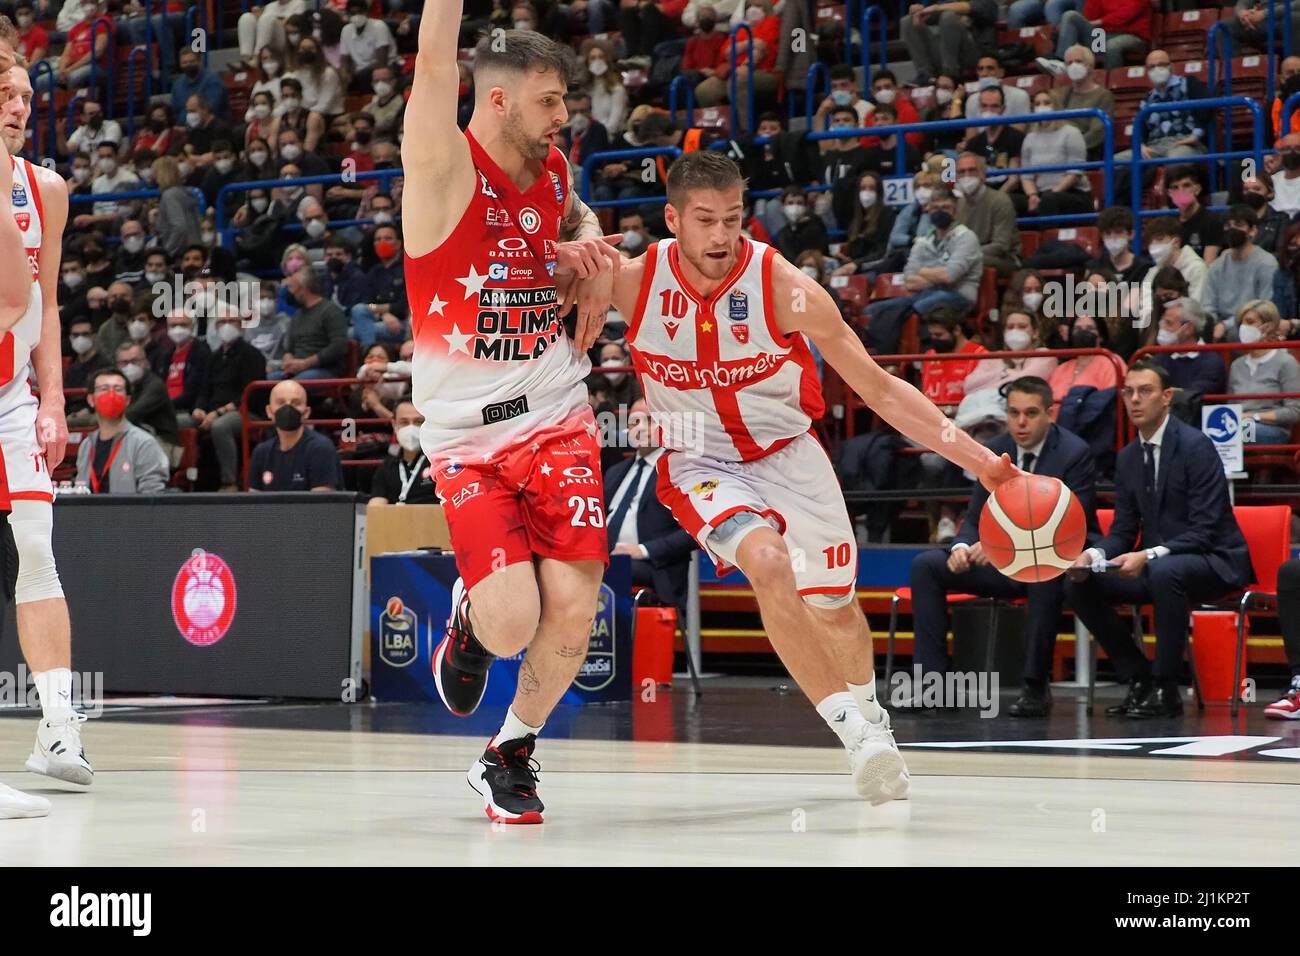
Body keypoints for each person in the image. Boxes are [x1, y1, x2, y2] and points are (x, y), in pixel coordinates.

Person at [599, 150, 1021, 802]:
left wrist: (984, 463)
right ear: (672, 218)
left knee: (835, 608)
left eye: (733, 219)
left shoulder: (782, 286)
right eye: (704, 220)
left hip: (790, 455)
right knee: (766, 561)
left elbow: (880, 390)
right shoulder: (630, 283)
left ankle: (872, 720)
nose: (719, 236)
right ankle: (856, 734)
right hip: (698, 461)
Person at [401, 5, 624, 825]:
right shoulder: (441, 167)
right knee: (510, 623)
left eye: (563, 100)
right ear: (496, 101)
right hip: (468, 435)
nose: (563, 115)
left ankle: (511, 751)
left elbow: (574, 222)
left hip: (558, 410)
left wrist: (591, 251)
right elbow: (431, 59)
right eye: (548, 101)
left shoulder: (554, 169)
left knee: (574, 608)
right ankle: (470, 616)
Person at [0, 56, 94, 821]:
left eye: (27, 96)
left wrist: (54, 398)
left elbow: (47, 305)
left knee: (37, 544)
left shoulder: (46, 191)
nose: (18, 106)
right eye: (4, 93)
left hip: (10, 395)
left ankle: (58, 727)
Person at [1065, 361, 1255, 718]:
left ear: (1167, 397)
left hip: (1214, 559)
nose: (1135, 400)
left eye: (1145, 391)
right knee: (1079, 583)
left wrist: (1148, 555)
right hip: (1159, 564)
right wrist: (1091, 557)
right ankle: (1139, 677)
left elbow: (1206, 528)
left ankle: (1167, 687)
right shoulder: (1128, 457)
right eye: (1128, 392)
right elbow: (1123, 530)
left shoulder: (1196, 446)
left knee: (1166, 572)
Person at [910, 377, 1097, 716]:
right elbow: (975, 514)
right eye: (1013, 413)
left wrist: (998, 544)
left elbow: (1074, 522)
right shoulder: (995, 449)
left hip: (1051, 557)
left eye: (1030, 413)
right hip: (1001, 563)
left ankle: (1034, 687)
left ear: (1050, 414)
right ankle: (932, 686)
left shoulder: (1074, 453)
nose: (1020, 423)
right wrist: (963, 546)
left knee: (1046, 574)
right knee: (926, 565)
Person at [602, 398, 697, 616]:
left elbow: (693, 532)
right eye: (634, 422)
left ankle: (612, 647)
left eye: (650, 420)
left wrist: (642, 550)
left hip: (652, 566)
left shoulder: (680, 470)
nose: (641, 428)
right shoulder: (615, 472)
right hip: (606, 558)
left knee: (610, 570)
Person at [192, 309, 267, 492]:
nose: (227, 326)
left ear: (240, 325)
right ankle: (185, 477)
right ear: (216, 327)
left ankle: (229, 482)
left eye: (232, 321)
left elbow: (251, 393)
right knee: (178, 421)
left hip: (245, 412)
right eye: (222, 322)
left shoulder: (252, 354)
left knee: (220, 426)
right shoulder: (214, 356)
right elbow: (204, 390)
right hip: (212, 410)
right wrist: (199, 408)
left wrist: (218, 413)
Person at [75, 366, 170, 494]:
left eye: (118, 389)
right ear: (91, 400)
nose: (111, 394)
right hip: (91, 514)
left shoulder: (144, 443)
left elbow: (152, 497)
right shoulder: (86, 446)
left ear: (128, 400)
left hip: (129, 513)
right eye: (104, 389)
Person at [248, 378, 343, 491]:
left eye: (296, 403)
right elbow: (253, 504)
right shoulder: (261, 452)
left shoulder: (321, 449)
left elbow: (321, 504)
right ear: (269, 411)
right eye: (281, 402)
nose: (288, 408)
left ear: (306, 412)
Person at [1202, 204, 1278, 341]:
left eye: (1238, 224)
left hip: (1252, 324)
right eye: (1228, 225)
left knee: (1235, 335)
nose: (1232, 229)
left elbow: (1265, 308)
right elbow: (1208, 304)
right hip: (1219, 326)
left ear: (1253, 230)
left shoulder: (1266, 263)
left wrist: (1225, 326)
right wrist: (1211, 325)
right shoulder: (1217, 265)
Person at [1230, 300, 1300, 445]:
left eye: (1250, 322)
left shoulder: (1286, 362)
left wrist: (1252, 416)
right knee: (1201, 434)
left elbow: (1295, 411)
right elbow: (1231, 406)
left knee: (1237, 432)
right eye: (1241, 324)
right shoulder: (1236, 365)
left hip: (1272, 429)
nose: (1243, 328)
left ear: (1268, 327)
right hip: (1238, 426)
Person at [1013, 90, 1091, 218]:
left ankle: (1049, 237)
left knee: (1049, 200)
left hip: (1073, 193)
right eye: (1037, 104)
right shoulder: (1030, 138)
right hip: (1041, 194)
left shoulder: (1071, 133)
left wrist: (1051, 194)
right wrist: (1032, 195)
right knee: (1011, 201)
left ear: (1056, 106)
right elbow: (1026, 176)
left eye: (1046, 103)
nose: (1041, 107)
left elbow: (1075, 172)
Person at [275, 265, 349, 380]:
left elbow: (339, 346)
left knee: (293, 386)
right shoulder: (297, 314)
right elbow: (289, 348)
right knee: (264, 381)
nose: (288, 293)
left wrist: (305, 363)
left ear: (303, 289)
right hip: (297, 369)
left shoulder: (331, 311)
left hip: (325, 369)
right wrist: (288, 359)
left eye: (291, 288)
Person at [954, 152, 1020, 277]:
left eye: (972, 170)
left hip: (1004, 260)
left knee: (967, 262)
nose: (966, 176)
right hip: (968, 256)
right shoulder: (957, 204)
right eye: (961, 172)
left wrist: (966, 253)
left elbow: (1001, 246)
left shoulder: (1000, 200)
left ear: (982, 174)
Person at [901, 0, 999, 83]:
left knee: (948, 16)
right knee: (907, 21)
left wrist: (936, 8)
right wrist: (919, 11)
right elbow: (928, 16)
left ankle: (950, 75)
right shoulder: (948, 3)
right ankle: (925, 76)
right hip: (949, 54)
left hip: (978, 56)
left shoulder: (987, 3)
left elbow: (968, 7)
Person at [1153, 297, 1227, 404]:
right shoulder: (1159, 359)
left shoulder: (1212, 362)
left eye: (1168, 323)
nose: (1162, 328)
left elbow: (1192, 398)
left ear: (1188, 328)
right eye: (1162, 322)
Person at [1047, 45, 1113, 157]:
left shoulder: (1103, 96)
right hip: (1057, 150)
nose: (1073, 66)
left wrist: (1072, 148)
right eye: (1069, 63)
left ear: (1090, 66)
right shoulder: (1060, 94)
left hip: (1085, 151)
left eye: (1078, 61)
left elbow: (1097, 133)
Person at [368, 399, 438, 505]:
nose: (411, 428)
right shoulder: (386, 467)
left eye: (418, 422)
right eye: (404, 422)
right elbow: (376, 506)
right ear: (394, 425)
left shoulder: (440, 463)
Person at [1049, 311, 1118, 405]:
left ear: (1101, 336)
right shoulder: (1061, 369)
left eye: (1090, 328)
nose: (1083, 332)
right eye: (1077, 329)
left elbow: (1112, 402)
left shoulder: (1112, 362)